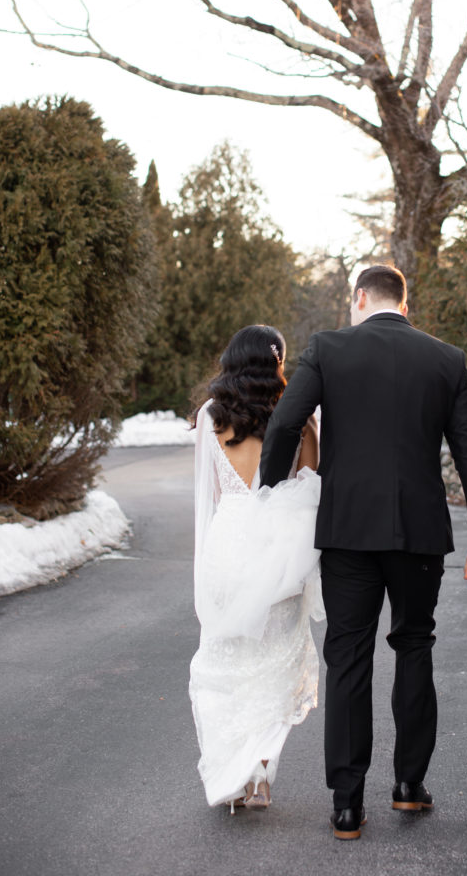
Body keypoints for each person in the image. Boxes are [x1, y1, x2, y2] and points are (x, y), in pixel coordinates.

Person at [259, 265, 467, 840]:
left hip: (347, 531)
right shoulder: (446, 359)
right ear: (404, 305)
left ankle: (347, 805)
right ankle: (409, 787)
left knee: (348, 657)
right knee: (414, 646)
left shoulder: (328, 349)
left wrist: (266, 498)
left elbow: (286, 424)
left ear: (360, 298)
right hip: (419, 532)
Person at [189, 324, 322, 813]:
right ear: (277, 363)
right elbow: (309, 485)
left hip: (227, 545)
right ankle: (261, 774)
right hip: (279, 551)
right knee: (274, 664)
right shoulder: (299, 415)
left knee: (226, 663)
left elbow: (212, 494)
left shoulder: (211, 415)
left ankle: (235, 773)